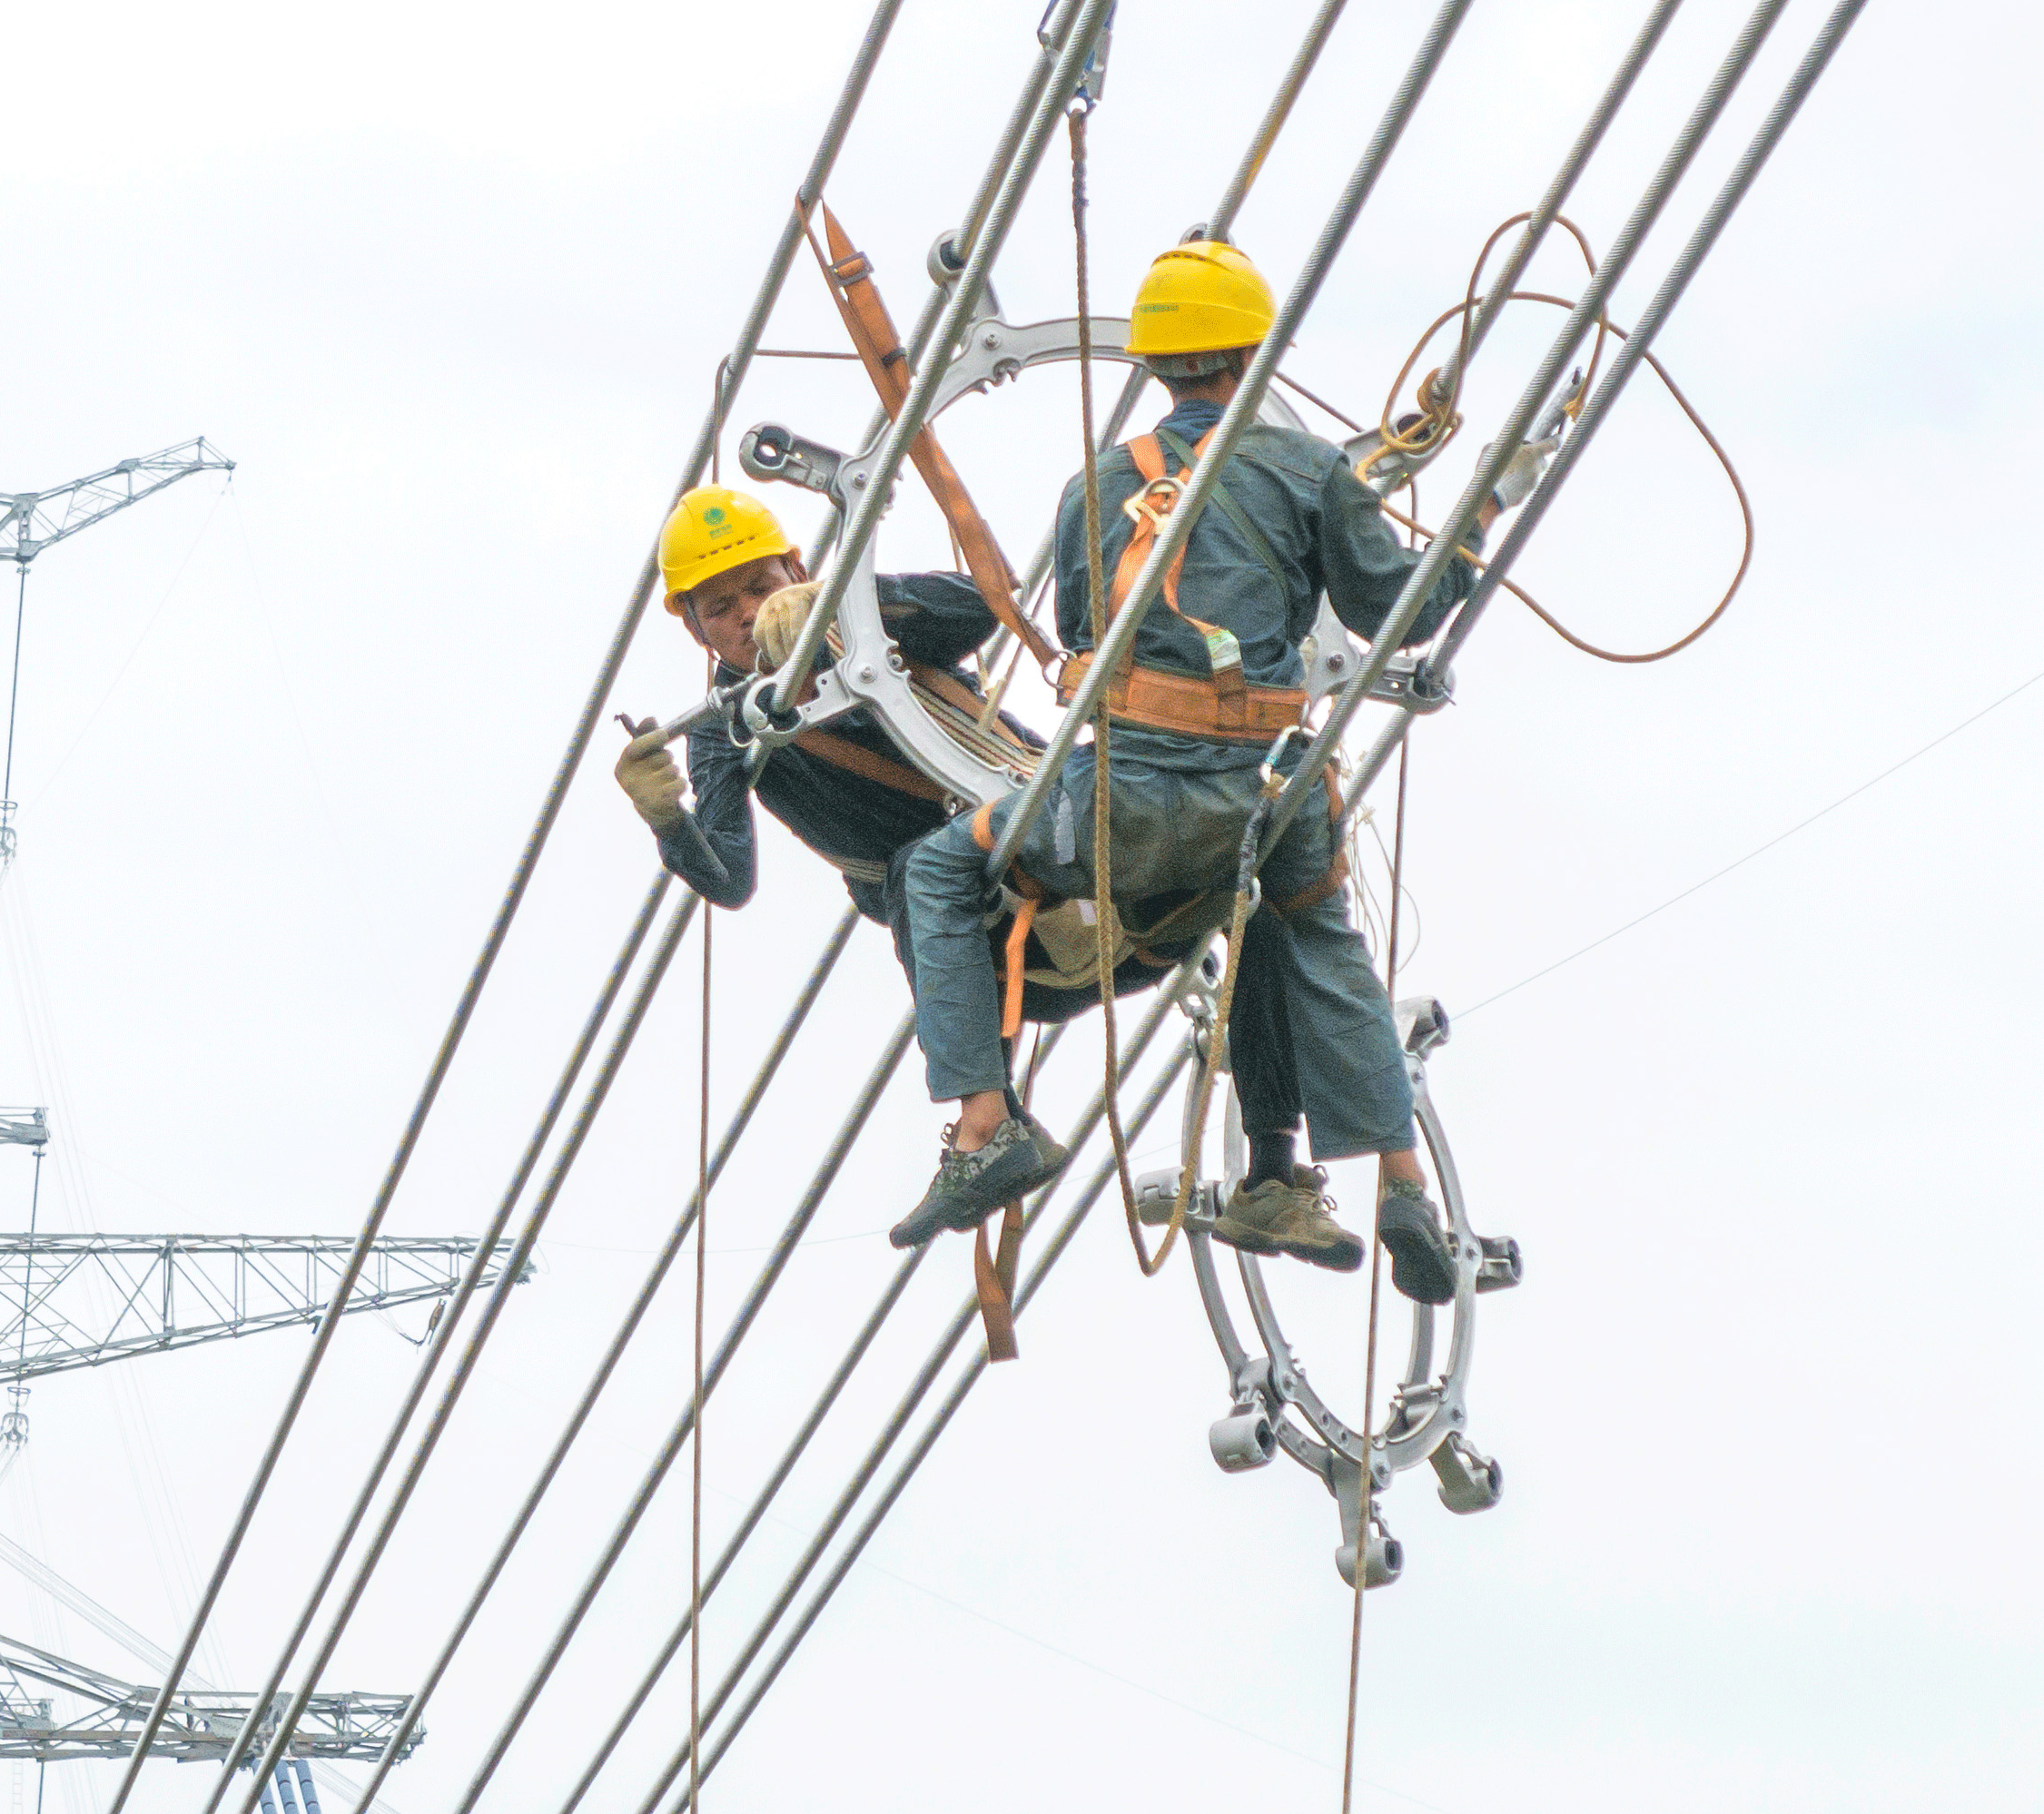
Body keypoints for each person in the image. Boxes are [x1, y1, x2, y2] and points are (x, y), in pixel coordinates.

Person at [881, 238, 1477, 1300]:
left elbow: (1080, 633)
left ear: (1154, 368)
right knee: (1313, 934)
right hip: (1262, 798)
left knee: (932, 867)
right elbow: (1399, 611)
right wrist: (1465, 537)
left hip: (1113, 808)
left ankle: (984, 1126)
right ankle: (1397, 1186)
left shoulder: (1093, 487)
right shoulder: (1311, 472)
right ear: (1251, 358)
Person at [611, 485, 1361, 1272]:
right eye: (719, 605)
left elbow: (982, 605)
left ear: (797, 567)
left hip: (1094, 867)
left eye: (760, 586)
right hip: (1006, 954)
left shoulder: (878, 641)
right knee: (918, 872)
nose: (743, 614)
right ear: (693, 626)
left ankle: (1273, 1178)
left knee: (1250, 877)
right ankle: (990, 1123)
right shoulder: (727, 737)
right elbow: (730, 880)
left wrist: (847, 607)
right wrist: (668, 819)